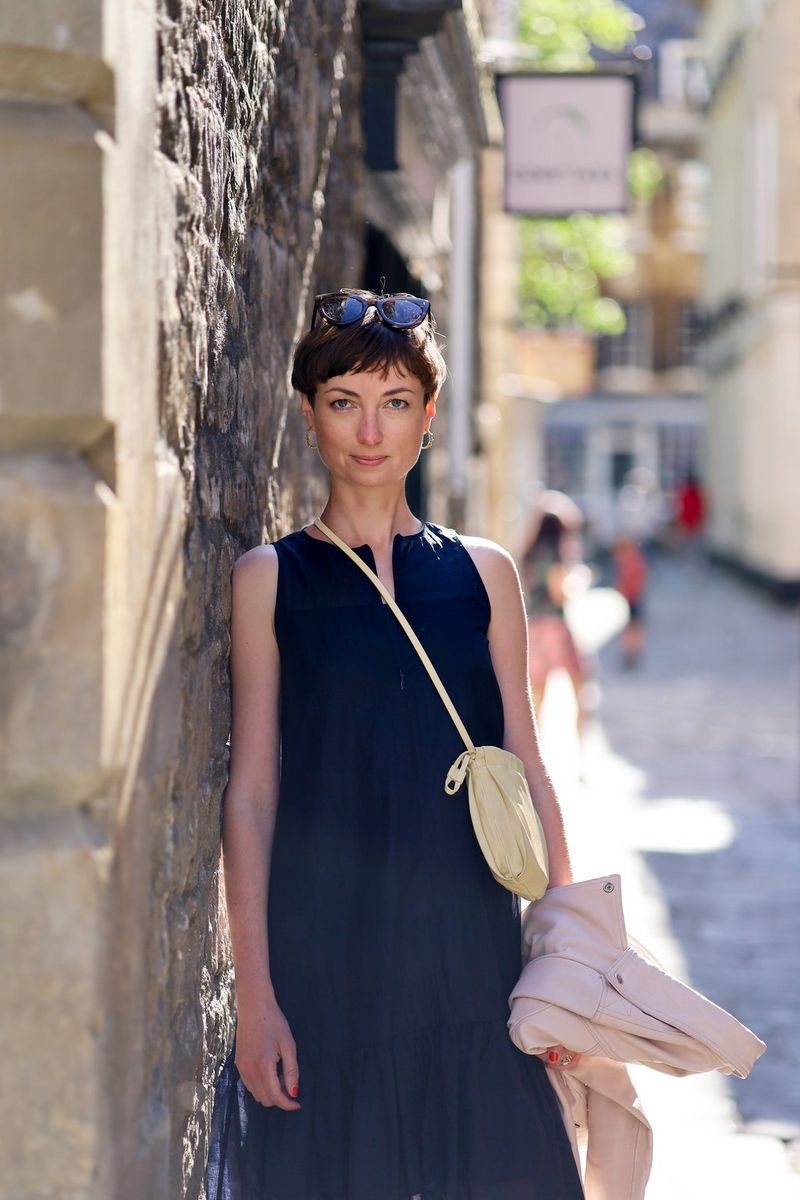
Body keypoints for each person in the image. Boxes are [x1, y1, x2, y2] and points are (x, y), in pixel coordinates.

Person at [204, 288, 585, 1200]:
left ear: (428, 415)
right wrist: (256, 999)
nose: (370, 431)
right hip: (329, 982)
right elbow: (251, 796)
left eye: (396, 402)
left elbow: (528, 767)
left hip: (475, 976)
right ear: (309, 413)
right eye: (344, 402)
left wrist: (567, 958)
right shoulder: (269, 580)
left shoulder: (485, 574)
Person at [519, 499, 589, 736]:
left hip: (534, 627)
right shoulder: (555, 554)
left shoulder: (528, 554)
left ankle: (534, 750)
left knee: (537, 696)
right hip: (554, 627)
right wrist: (578, 581)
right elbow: (559, 593)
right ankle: (583, 747)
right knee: (580, 687)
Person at [612, 535, 648, 668]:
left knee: (632, 628)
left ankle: (632, 653)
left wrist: (623, 592)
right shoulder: (631, 561)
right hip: (630, 599)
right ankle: (630, 653)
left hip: (631, 599)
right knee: (630, 628)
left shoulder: (632, 562)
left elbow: (633, 582)